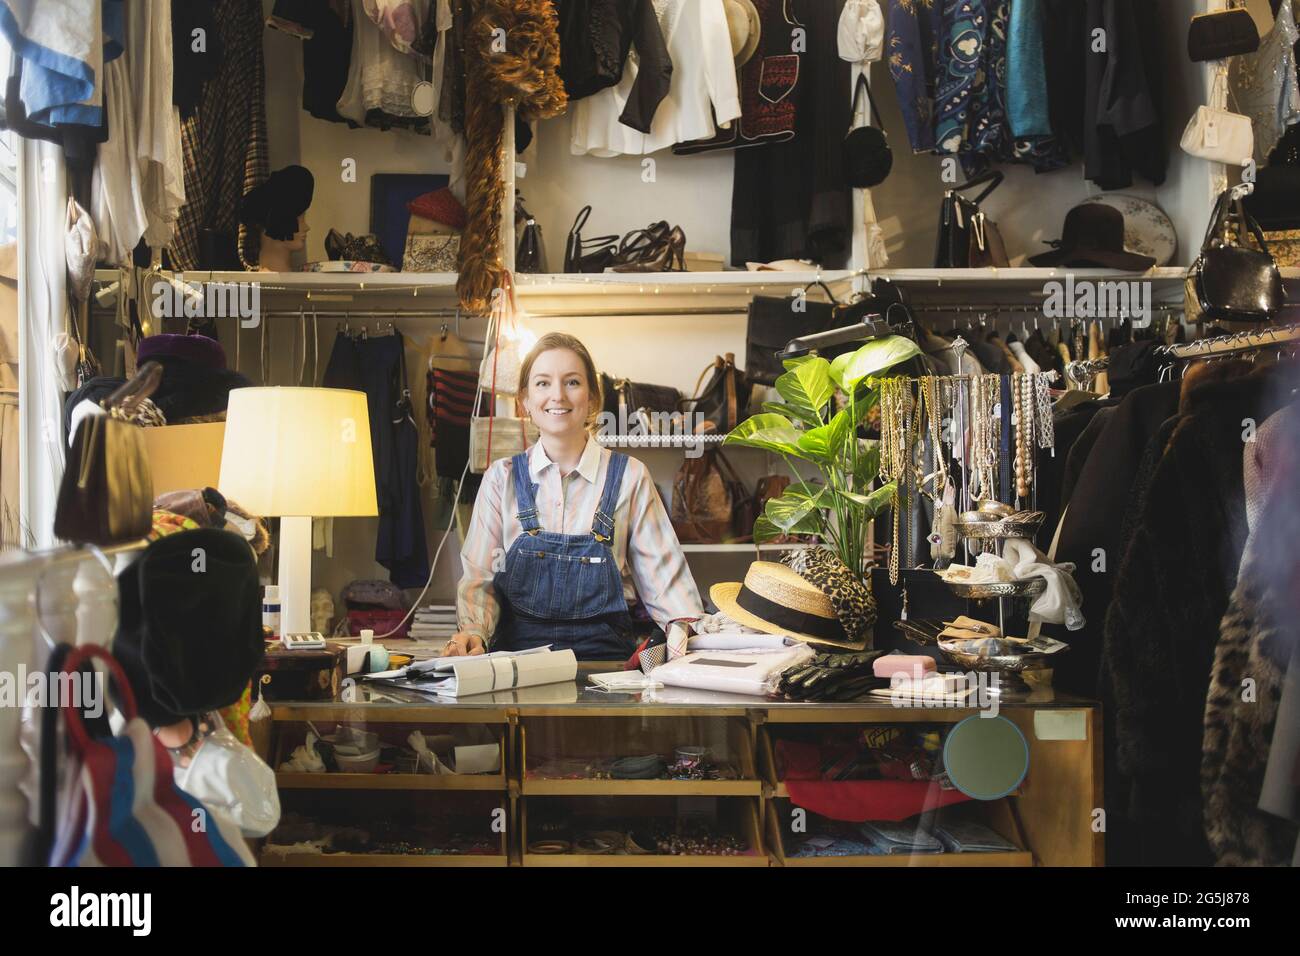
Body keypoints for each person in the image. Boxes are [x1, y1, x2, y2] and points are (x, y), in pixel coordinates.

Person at [446, 332, 702, 660]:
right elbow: (480, 578)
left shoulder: (629, 476)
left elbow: (667, 582)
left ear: (593, 398)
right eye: (542, 383)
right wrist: (472, 632)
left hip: (605, 670)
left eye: (572, 382)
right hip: (515, 669)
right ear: (524, 399)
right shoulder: (502, 478)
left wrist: (682, 634)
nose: (557, 395)